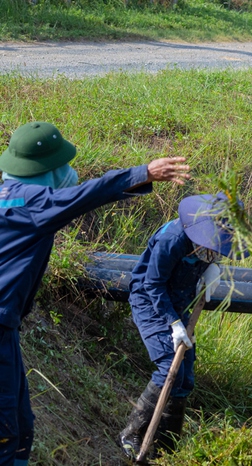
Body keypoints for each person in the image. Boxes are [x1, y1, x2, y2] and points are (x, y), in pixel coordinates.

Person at [0, 121, 190, 466]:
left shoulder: (8, 196)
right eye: (62, 165)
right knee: (6, 432)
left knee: (21, 425)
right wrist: (143, 172)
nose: (68, 172)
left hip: (6, 328)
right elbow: (85, 195)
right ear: (46, 168)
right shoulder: (32, 203)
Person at [119, 192, 245, 461]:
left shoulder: (208, 241)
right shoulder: (173, 239)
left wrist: (210, 269)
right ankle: (133, 434)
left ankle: (166, 446)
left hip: (181, 302)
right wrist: (174, 324)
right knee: (169, 370)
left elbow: (209, 256)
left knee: (185, 377)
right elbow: (152, 284)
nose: (213, 253)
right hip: (151, 303)